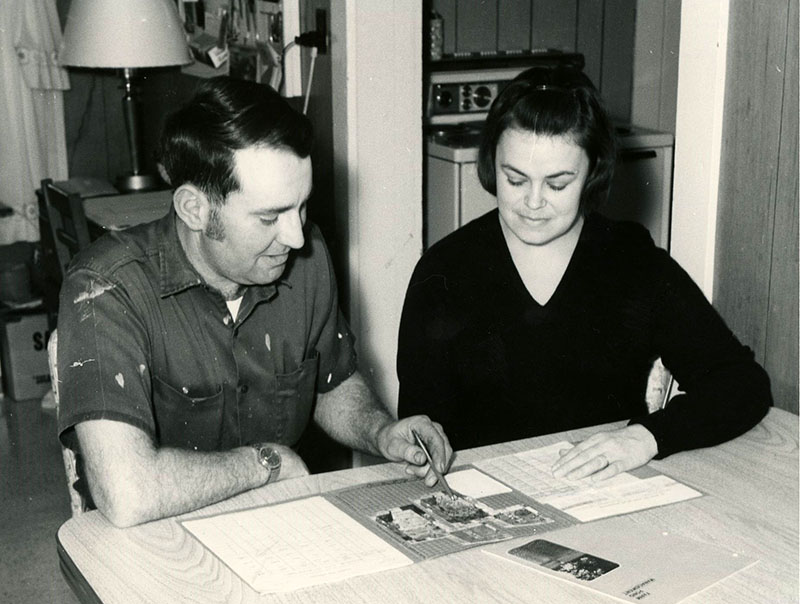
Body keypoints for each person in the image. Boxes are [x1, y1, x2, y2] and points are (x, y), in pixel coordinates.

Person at [56, 78, 452, 527]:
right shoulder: (106, 287)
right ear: (195, 209)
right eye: (270, 217)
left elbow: (330, 381)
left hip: (275, 520)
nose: (297, 236)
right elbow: (127, 493)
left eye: (302, 207)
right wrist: (267, 463)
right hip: (154, 534)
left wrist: (382, 432)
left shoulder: (305, 258)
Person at [397, 66, 771, 482]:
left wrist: (646, 437)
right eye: (515, 179)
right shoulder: (444, 271)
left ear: (592, 173)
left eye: (557, 184)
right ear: (491, 165)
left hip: (604, 492)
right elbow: (419, 426)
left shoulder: (632, 261)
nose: (533, 202)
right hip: (484, 499)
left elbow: (741, 382)